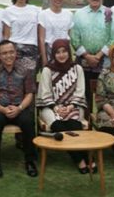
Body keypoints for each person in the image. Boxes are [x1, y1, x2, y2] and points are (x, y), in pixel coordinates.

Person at [0, 40, 38, 178]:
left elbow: (29, 94)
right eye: (4, 53)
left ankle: (30, 161)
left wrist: (19, 108)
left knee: (28, 121)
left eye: (11, 52)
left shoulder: (25, 71)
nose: (8, 56)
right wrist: (2, 109)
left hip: (20, 107)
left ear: (16, 53)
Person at [37, 39, 91, 173]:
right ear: (54, 54)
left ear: (69, 52)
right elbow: (44, 93)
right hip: (51, 107)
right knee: (58, 126)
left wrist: (70, 107)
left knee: (74, 125)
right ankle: (81, 160)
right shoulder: (47, 70)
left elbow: (80, 91)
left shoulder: (77, 68)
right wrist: (56, 108)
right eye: (58, 52)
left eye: (64, 51)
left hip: (73, 105)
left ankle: (83, 157)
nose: (61, 55)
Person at [70, 0, 114, 107]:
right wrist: (87, 56)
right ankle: (86, 121)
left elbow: (113, 38)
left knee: (105, 96)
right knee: (84, 96)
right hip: (83, 61)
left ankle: (103, 123)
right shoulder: (79, 14)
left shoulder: (110, 14)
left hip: (104, 62)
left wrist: (98, 56)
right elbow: (74, 39)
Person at [2, 0, 41, 74]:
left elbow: (39, 33)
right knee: (16, 80)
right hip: (14, 51)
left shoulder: (36, 10)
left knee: (30, 81)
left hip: (32, 50)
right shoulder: (8, 11)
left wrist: (40, 51)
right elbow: (6, 36)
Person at [37, 0, 73, 67]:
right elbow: (41, 39)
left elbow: (68, 35)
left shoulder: (69, 14)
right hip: (50, 51)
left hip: (64, 53)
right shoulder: (43, 14)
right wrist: (44, 58)